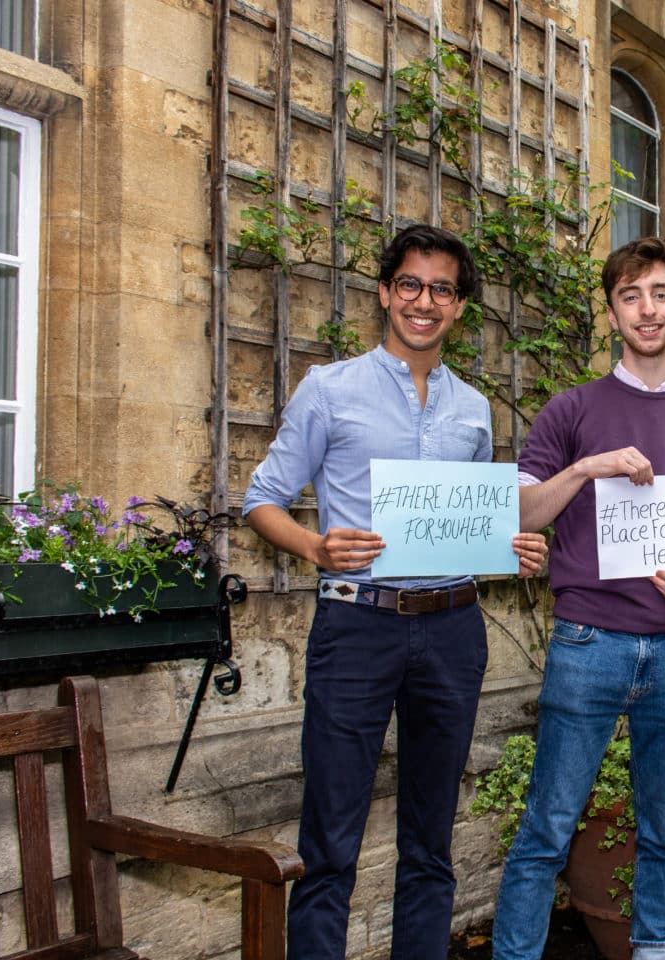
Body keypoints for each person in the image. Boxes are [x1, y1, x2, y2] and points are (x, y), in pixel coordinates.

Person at [242, 224, 548, 960]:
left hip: (451, 630)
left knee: (430, 836)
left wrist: (512, 544)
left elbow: (471, 518)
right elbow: (262, 499)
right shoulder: (330, 388)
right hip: (357, 626)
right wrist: (314, 545)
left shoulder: (475, 409)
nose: (424, 301)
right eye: (410, 284)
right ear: (385, 294)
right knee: (331, 834)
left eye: (441, 289)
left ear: (459, 308)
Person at [490, 236, 665, 960]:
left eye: (661, 294)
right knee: (548, 826)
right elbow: (522, 514)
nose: (647, 309)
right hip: (589, 642)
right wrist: (586, 467)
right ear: (613, 313)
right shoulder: (572, 410)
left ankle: (653, 953)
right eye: (630, 296)